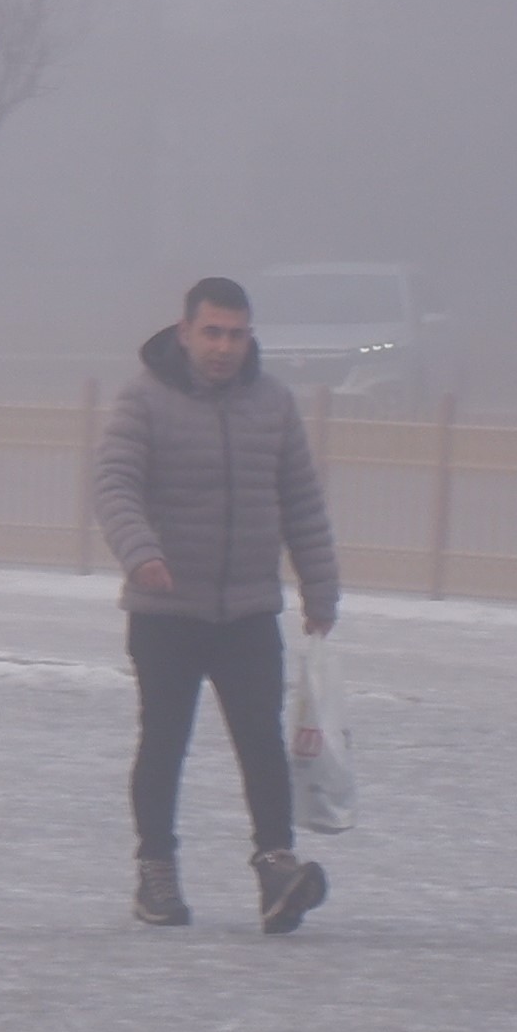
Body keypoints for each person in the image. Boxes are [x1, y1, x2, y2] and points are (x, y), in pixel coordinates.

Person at [93, 275, 339, 931]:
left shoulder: (273, 405)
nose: (224, 347)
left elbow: (302, 503)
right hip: (165, 609)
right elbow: (114, 485)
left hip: (249, 610)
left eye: (235, 334)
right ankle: (157, 872)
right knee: (165, 741)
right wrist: (142, 552)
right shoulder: (143, 401)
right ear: (185, 333)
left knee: (261, 742)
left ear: (249, 337)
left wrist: (320, 588)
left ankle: (276, 867)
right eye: (212, 333)